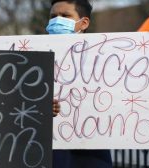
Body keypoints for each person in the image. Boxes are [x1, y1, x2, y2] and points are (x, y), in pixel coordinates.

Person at [46, 0, 112, 167]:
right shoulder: (34, 56)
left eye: (65, 15)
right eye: (53, 16)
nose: (57, 21)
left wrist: (148, 100)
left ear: (84, 22)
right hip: (51, 152)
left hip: (92, 154)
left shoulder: (108, 57)